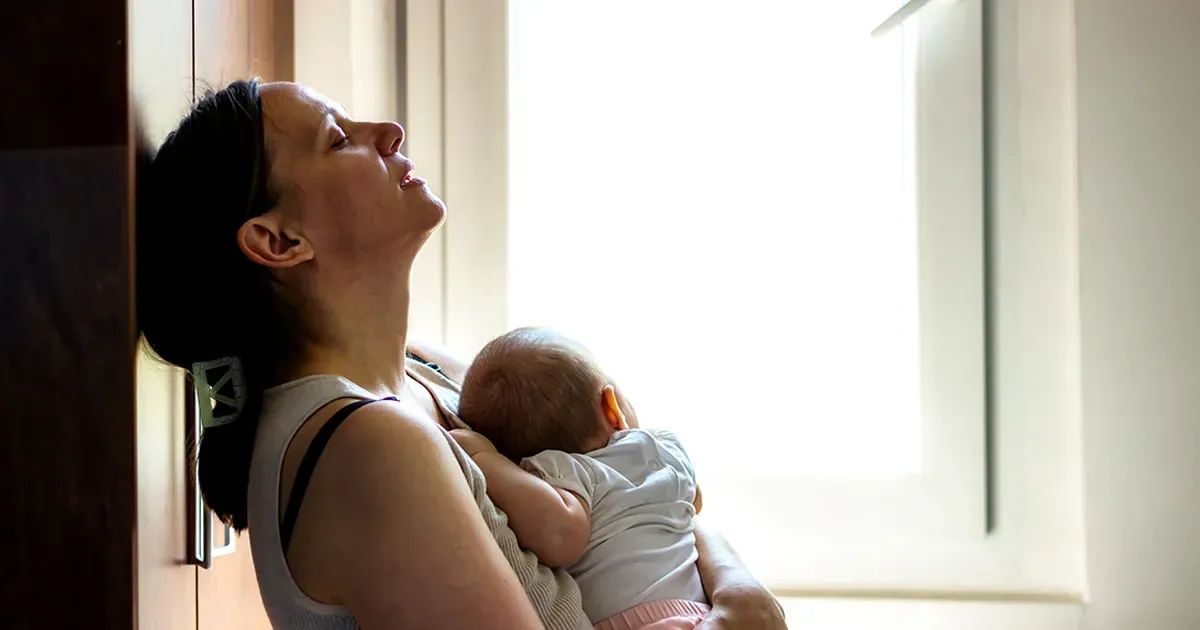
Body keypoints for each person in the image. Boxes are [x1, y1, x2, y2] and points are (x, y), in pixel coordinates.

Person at [136, 78, 786, 629]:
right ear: (279, 242)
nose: (388, 131)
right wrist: (743, 602)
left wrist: (742, 591)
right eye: (338, 138)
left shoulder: (430, 373)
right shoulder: (367, 445)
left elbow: (640, 490)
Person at [455, 327, 709, 629]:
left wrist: (484, 458)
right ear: (612, 408)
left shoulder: (564, 472)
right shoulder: (665, 446)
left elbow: (560, 539)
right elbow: (694, 502)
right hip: (699, 610)